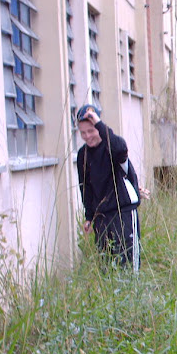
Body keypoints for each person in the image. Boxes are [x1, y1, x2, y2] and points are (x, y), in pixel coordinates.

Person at [76, 104, 140, 272]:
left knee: (127, 266)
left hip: (123, 212)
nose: (87, 136)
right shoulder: (82, 154)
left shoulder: (112, 146)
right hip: (101, 217)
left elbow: (121, 148)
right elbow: (86, 187)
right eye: (83, 133)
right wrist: (89, 216)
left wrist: (98, 123)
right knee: (107, 268)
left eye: (91, 130)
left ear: (99, 127)